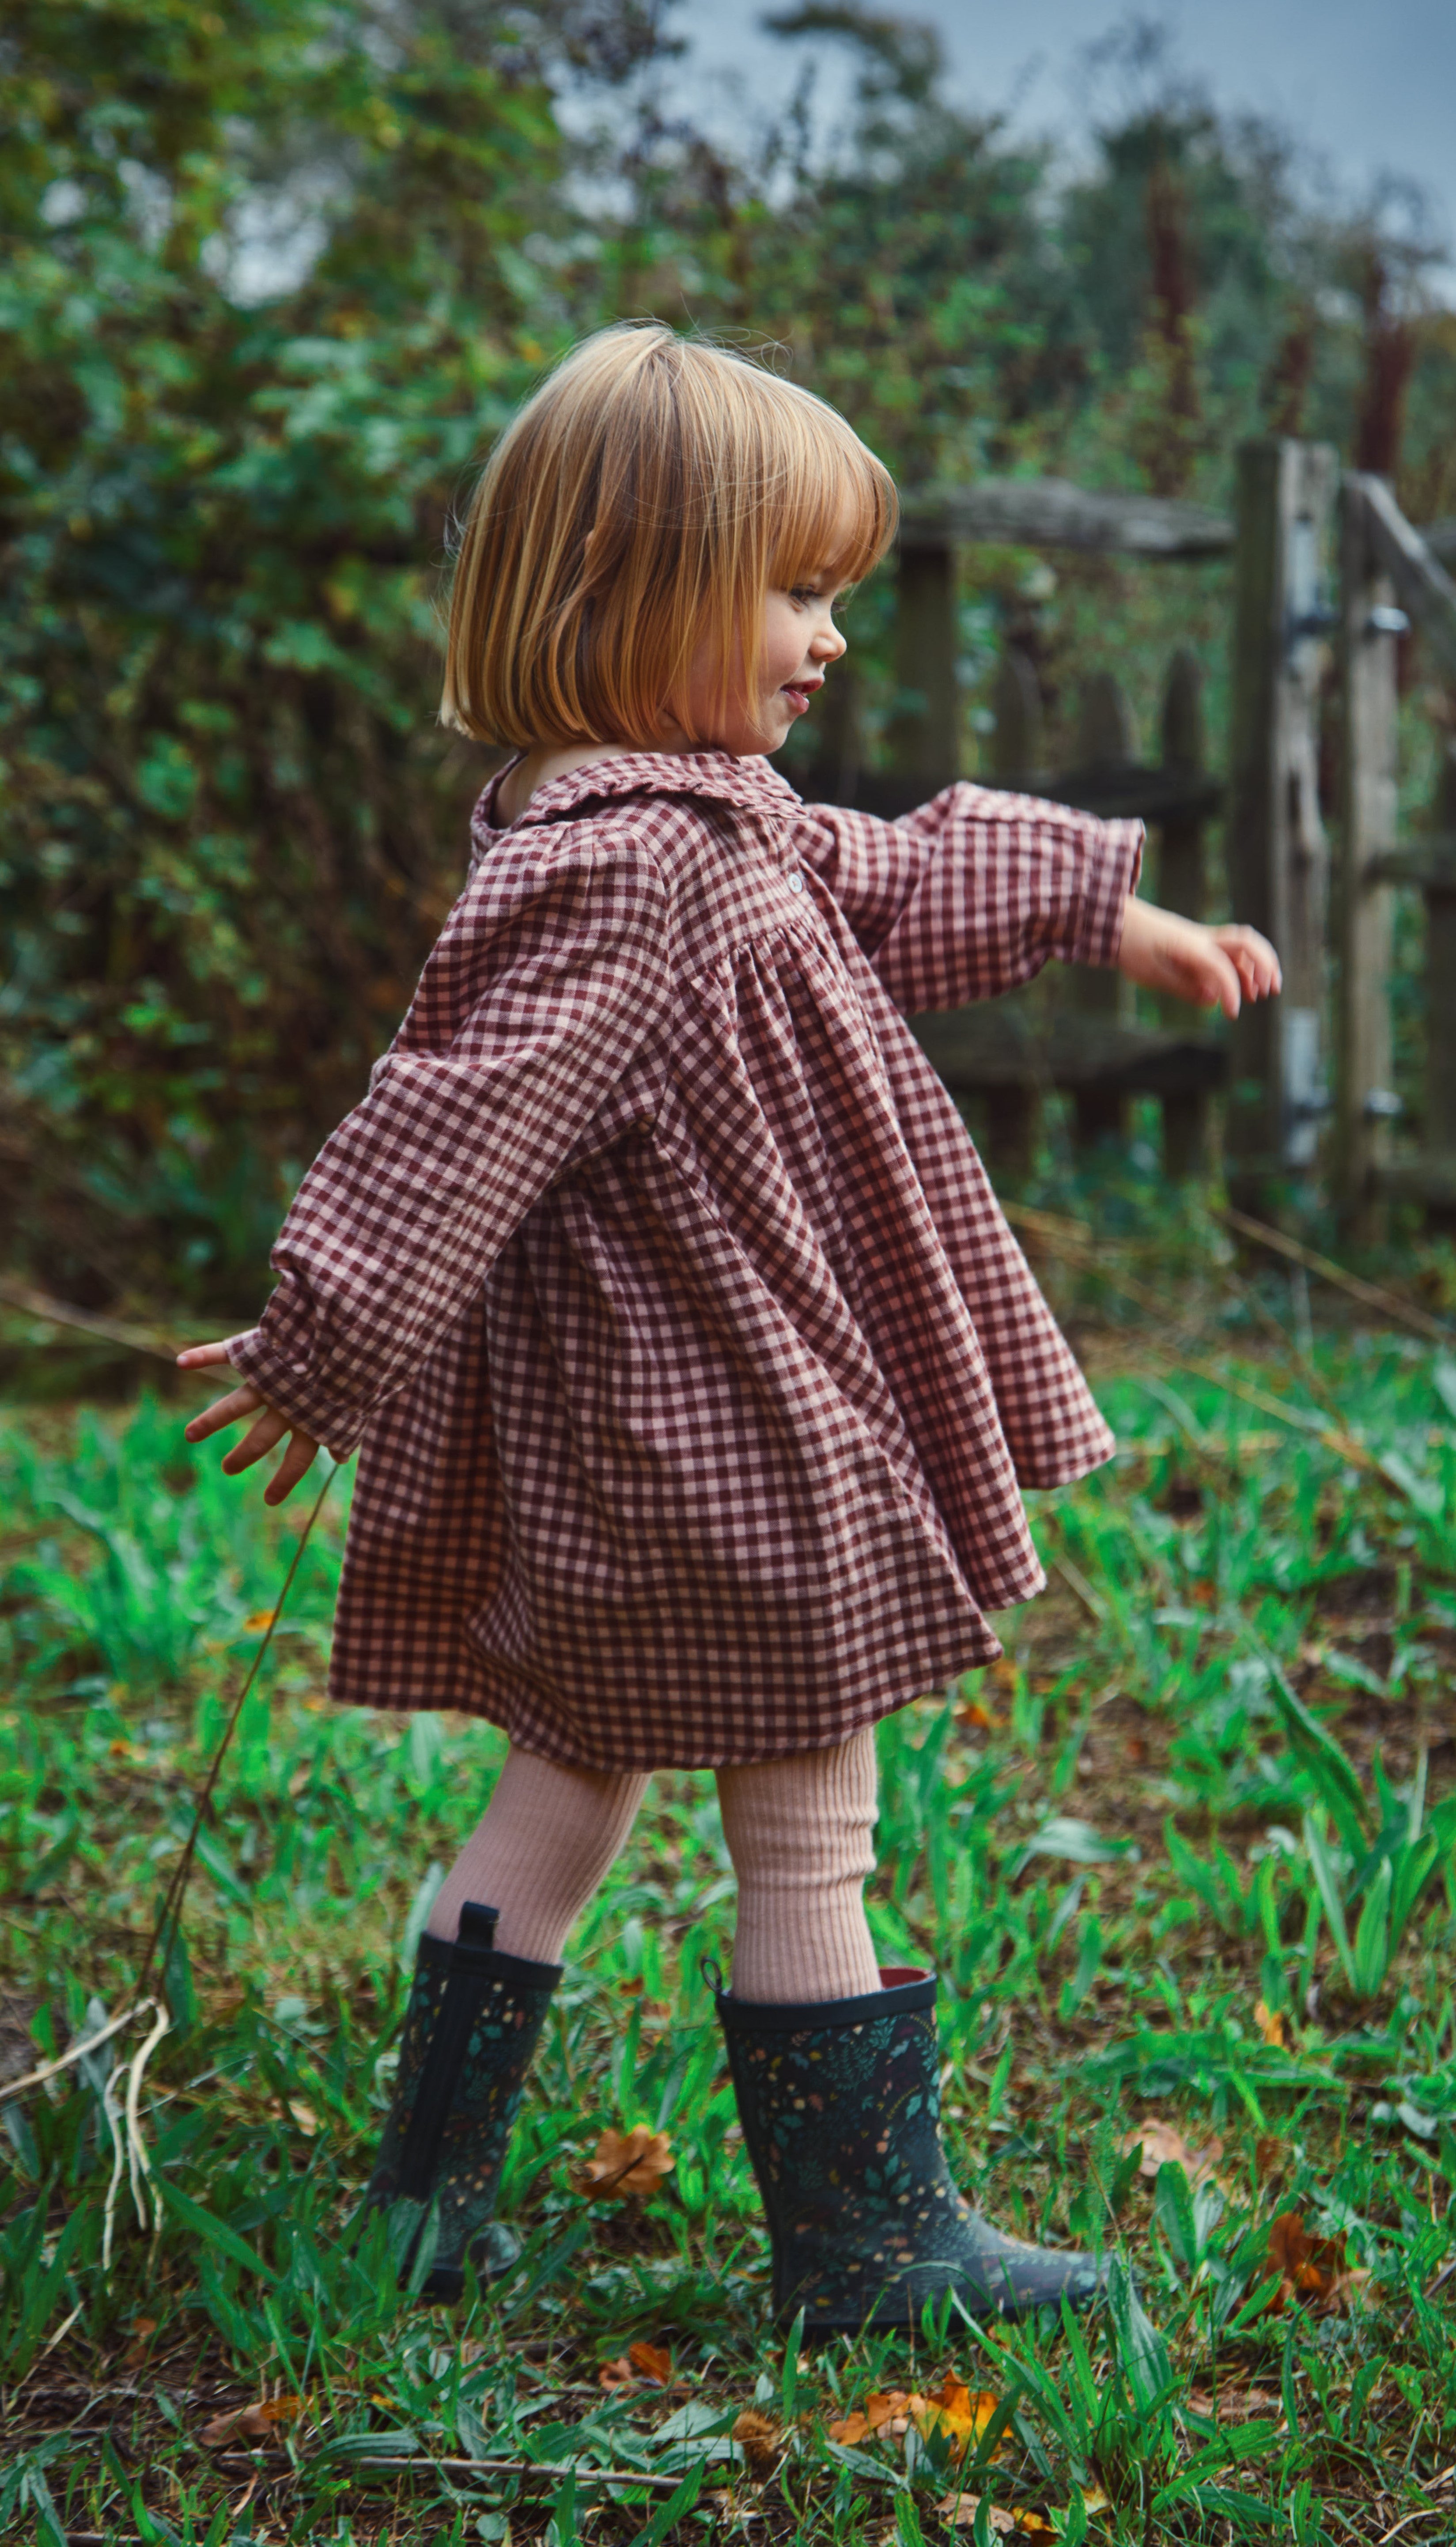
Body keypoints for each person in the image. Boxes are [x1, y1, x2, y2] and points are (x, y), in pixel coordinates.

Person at [178, 323, 1279, 2331]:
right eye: (791, 589)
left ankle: (428, 2192)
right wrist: (316, 1340)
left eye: (834, 592)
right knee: (809, 1788)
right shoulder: (628, 867)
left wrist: (1092, 906)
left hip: (645, 1432)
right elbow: (453, 1110)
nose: (828, 637)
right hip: (721, 1422)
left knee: (566, 1777)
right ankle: (867, 2243)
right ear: (619, 587)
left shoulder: (694, 819)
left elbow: (883, 862)